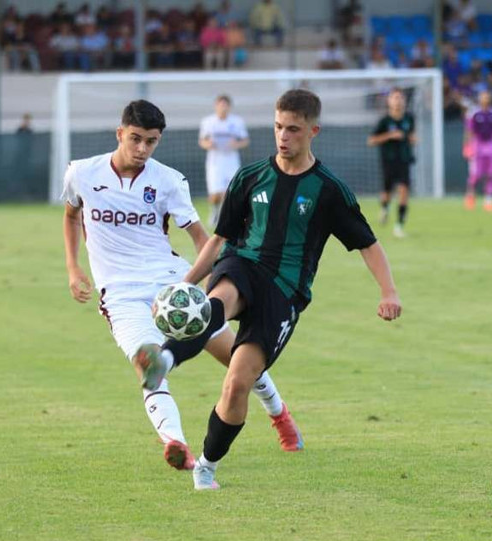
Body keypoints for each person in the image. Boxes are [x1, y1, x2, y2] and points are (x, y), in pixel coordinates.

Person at [143, 89, 401, 490]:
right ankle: (165, 359)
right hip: (242, 264)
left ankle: (207, 464)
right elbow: (219, 240)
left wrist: (389, 292)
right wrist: (186, 282)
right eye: (279, 127)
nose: (283, 136)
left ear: (313, 130)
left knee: (237, 382)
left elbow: (368, 243)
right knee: (214, 307)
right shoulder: (250, 177)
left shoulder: (328, 190)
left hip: (284, 292)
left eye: (293, 129)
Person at [62, 100, 303, 472]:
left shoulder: (168, 180)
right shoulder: (81, 172)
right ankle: (177, 444)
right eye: (136, 139)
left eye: (151, 141)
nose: (142, 149)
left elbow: (201, 235)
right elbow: (72, 214)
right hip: (121, 294)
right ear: (120, 133)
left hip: (174, 285)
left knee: (238, 359)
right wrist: (74, 267)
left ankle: (280, 416)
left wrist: (214, 281)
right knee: (149, 365)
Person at [367, 87, 417, 238]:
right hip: (388, 161)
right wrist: (389, 135)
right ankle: (384, 208)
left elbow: (412, 135)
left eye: (400, 98)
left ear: (404, 101)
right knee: (387, 193)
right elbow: (371, 140)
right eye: (395, 98)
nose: (398, 101)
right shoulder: (384, 121)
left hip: (404, 161)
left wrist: (412, 139)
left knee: (403, 191)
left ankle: (399, 226)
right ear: (389, 101)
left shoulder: (409, 118)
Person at [198, 94, 249, 228]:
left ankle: (225, 216)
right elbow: (202, 141)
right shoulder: (208, 122)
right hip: (215, 162)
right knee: (215, 194)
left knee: (230, 192)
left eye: (225, 105)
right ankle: (214, 210)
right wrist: (208, 144)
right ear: (216, 106)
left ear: (229, 107)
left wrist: (235, 144)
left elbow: (245, 140)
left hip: (231, 161)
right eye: (220, 105)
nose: (223, 108)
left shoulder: (237, 122)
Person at [463, 90, 492, 212]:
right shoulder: (474, 113)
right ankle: (470, 195)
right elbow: (469, 131)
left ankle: (489, 200)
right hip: (477, 143)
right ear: (479, 99)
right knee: (476, 173)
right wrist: (467, 146)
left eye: (487, 97)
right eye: (483, 97)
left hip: (491, 144)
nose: (486, 100)